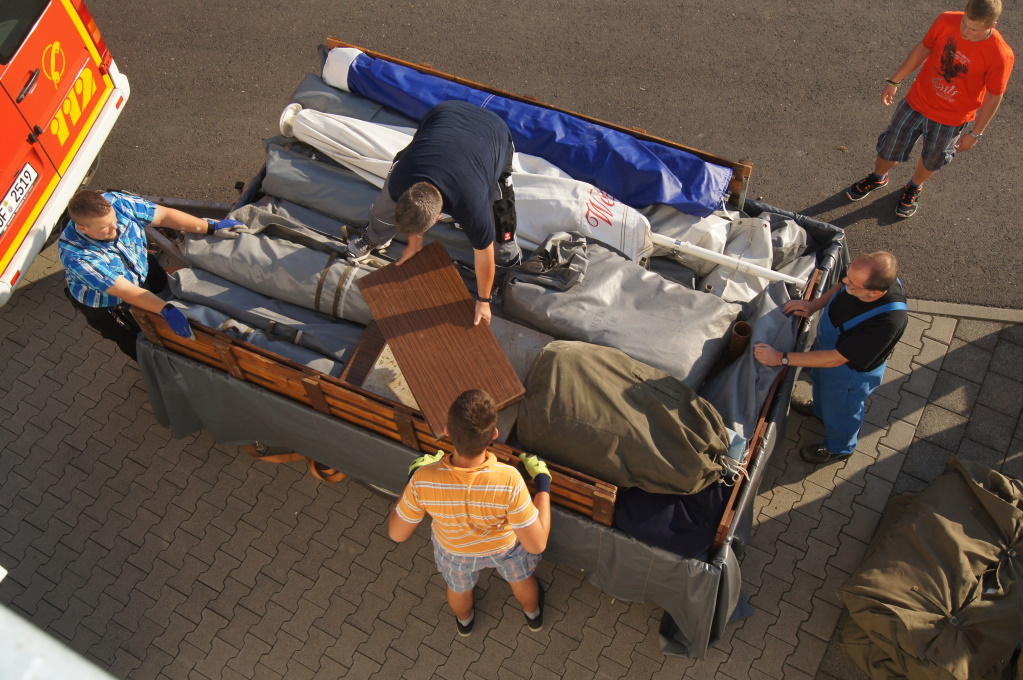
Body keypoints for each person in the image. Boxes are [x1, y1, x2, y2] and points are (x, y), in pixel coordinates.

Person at [387, 389, 551, 637]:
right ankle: (533, 616)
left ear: (447, 431)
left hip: (454, 551)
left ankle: (465, 622)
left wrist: (412, 479)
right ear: (493, 435)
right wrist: (543, 482)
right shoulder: (509, 479)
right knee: (521, 580)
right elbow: (537, 544)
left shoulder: (423, 479)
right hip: (505, 549)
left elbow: (397, 534)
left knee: (458, 588)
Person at [346, 100, 520, 326]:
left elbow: (483, 254)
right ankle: (375, 237)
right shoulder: (400, 180)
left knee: (502, 223)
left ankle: (506, 266)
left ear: (439, 217)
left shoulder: (472, 207)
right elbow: (410, 212)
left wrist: (483, 300)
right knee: (382, 207)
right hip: (444, 113)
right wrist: (415, 243)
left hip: (494, 132)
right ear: (407, 194)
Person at [845, 0, 1013, 218]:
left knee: (933, 158)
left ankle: (914, 186)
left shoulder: (1000, 54)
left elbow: (994, 95)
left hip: (951, 119)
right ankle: (878, 177)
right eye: (964, 22)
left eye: (973, 29)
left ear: (992, 25)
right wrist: (895, 81)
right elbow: (924, 48)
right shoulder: (946, 20)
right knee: (890, 145)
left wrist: (976, 133)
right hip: (917, 101)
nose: (964, 31)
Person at [753, 252, 908, 465]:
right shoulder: (862, 277)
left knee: (841, 411)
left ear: (875, 293)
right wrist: (814, 305)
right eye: (848, 277)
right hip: (828, 354)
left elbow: (835, 359)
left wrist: (781, 358)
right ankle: (820, 411)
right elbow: (840, 287)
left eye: (852, 284)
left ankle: (839, 448)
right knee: (820, 386)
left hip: (848, 376)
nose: (845, 282)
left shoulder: (887, 322)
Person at [58, 190, 244, 359]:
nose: (115, 228)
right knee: (134, 338)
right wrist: (166, 310)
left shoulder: (117, 203)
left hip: (141, 266)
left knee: (164, 291)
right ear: (82, 228)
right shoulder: (77, 257)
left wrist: (210, 227)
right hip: (112, 301)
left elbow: (164, 216)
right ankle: (153, 363)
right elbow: (126, 291)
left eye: (114, 220)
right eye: (105, 227)